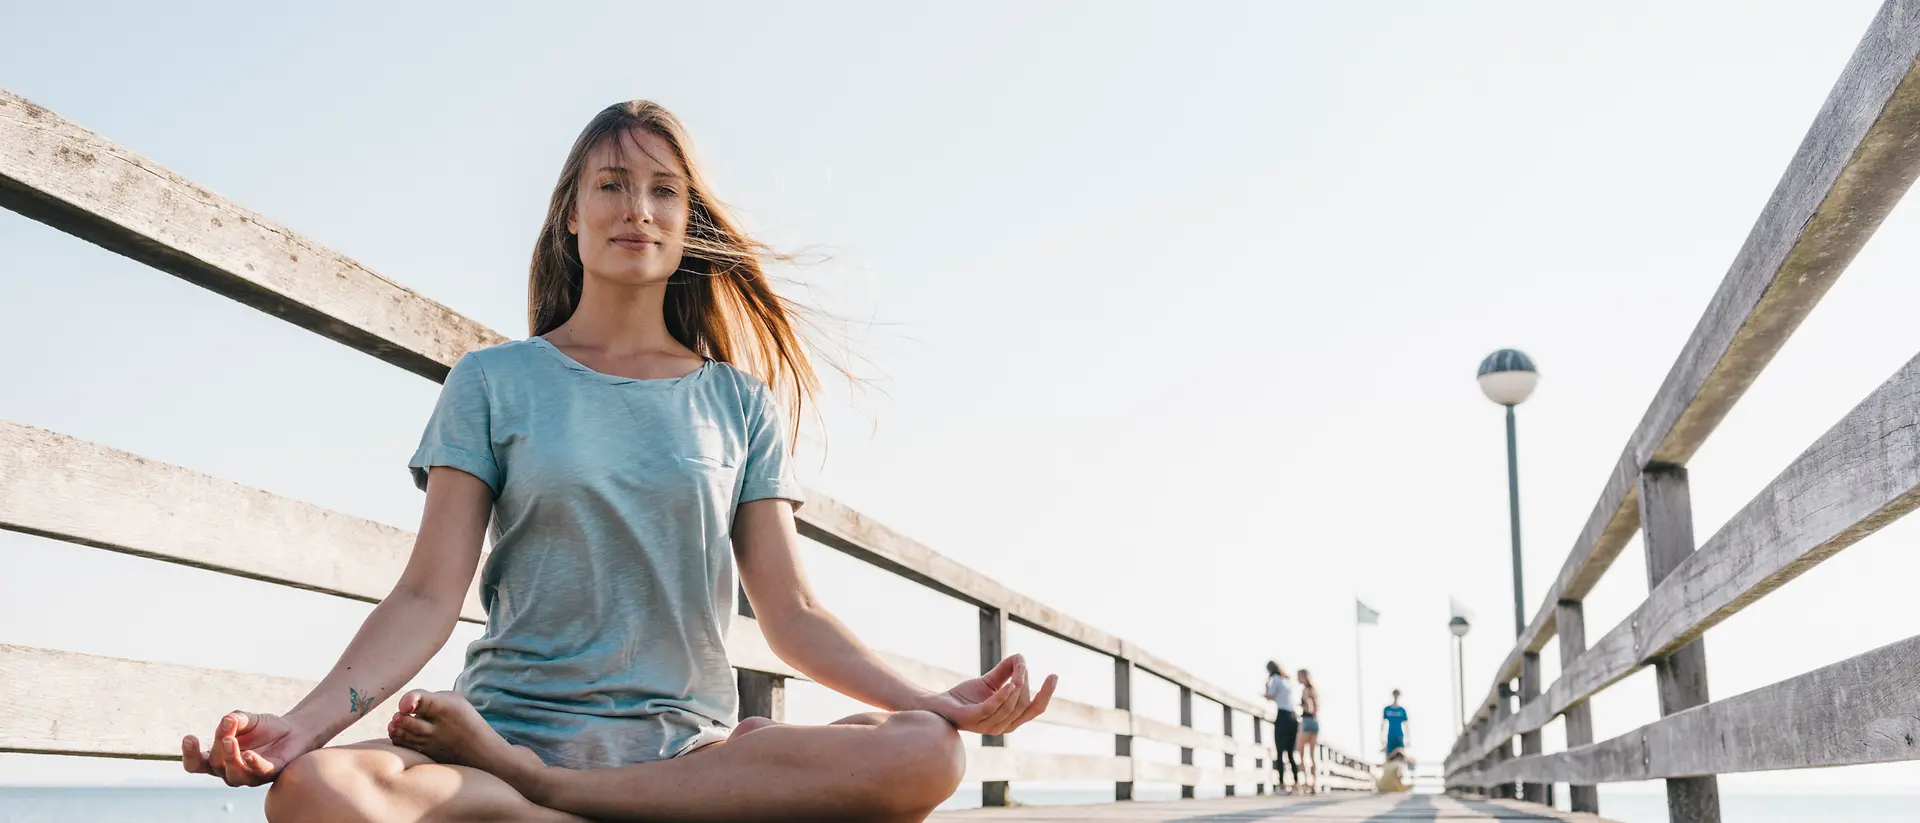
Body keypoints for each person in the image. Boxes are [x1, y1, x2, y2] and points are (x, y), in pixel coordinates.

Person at [178, 100, 1058, 823]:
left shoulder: (739, 402)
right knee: (316, 791)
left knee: (923, 750)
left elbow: (792, 612)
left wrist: (938, 699)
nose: (637, 207)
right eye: (611, 184)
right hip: (501, 737)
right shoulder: (494, 380)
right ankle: (559, 791)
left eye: (663, 190)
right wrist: (300, 724)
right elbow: (424, 595)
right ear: (572, 213)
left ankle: (560, 800)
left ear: (687, 223)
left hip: (683, 755)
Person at [1263, 661, 1300, 794]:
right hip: (1293, 717)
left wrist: (1265, 690)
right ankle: (1296, 784)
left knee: (1279, 752)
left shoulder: (1276, 680)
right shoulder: (1287, 681)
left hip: (1283, 716)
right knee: (1290, 753)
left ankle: (1282, 785)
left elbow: (1270, 696)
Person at [1294, 668, 1320, 795]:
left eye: (1299, 676)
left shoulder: (1305, 690)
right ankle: (1314, 784)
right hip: (1315, 722)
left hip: (1307, 721)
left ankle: (1305, 783)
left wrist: (1302, 707)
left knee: (1300, 753)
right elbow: (1316, 708)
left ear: (1303, 677)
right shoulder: (1314, 690)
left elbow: (1309, 707)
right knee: (1312, 755)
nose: (1297, 679)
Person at [1381, 688, 1410, 760]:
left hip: (1399, 735)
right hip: (1390, 735)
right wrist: (1382, 738)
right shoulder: (1387, 709)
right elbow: (1383, 725)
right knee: (1388, 756)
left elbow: (1406, 726)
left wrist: (1408, 740)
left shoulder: (1402, 710)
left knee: (1401, 756)